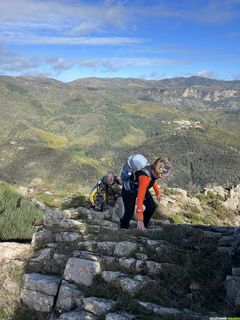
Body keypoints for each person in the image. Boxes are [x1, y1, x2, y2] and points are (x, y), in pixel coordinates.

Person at [120, 157, 171, 231]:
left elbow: (153, 180)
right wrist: (140, 219)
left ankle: (143, 227)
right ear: (157, 171)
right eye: (160, 175)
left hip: (139, 187)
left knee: (151, 206)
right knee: (129, 212)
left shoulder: (152, 169)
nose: (161, 177)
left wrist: (157, 192)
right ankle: (123, 229)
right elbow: (140, 199)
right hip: (129, 191)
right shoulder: (145, 178)